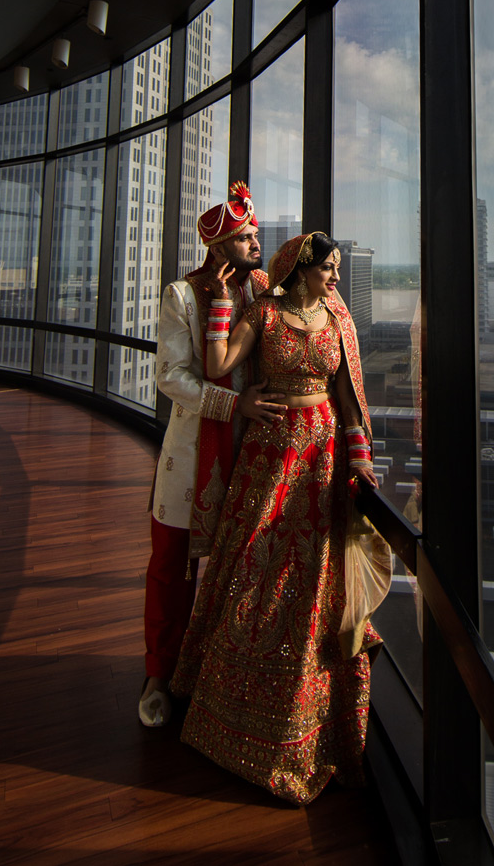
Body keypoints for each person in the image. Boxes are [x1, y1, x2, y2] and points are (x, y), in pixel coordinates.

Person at [171, 231, 381, 803]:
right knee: (253, 565)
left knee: (310, 580)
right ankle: (227, 714)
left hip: (321, 459)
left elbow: (349, 396)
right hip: (268, 455)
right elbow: (216, 362)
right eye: (328, 269)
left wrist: (359, 462)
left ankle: (300, 723)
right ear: (300, 270)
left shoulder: (338, 320)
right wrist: (217, 302)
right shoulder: (264, 313)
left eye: (338, 268)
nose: (336, 278)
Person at [138, 181, 285, 727]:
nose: (255, 244)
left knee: (241, 569)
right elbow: (170, 378)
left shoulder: (265, 291)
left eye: (255, 235)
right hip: (191, 452)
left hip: (254, 451)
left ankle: (220, 672)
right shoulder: (181, 295)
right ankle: (158, 672)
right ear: (218, 248)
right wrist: (233, 404)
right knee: (171, 568)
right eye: (245, 238)